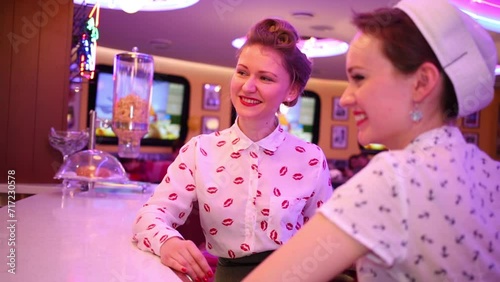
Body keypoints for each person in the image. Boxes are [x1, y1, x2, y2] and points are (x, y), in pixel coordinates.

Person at [244, 0, 499, 281]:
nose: (346, 98)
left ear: (422, 83)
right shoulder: (490, 172)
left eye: (359, 78)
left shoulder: (394, 178)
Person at [132, 18, 333, 282]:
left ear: (291, 90)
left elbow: (327, 238)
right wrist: (168, 243)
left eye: (265, 78)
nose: (248, 86)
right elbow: (148, 216)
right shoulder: (200, 151)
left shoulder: (310, 158)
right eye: (242, 72)